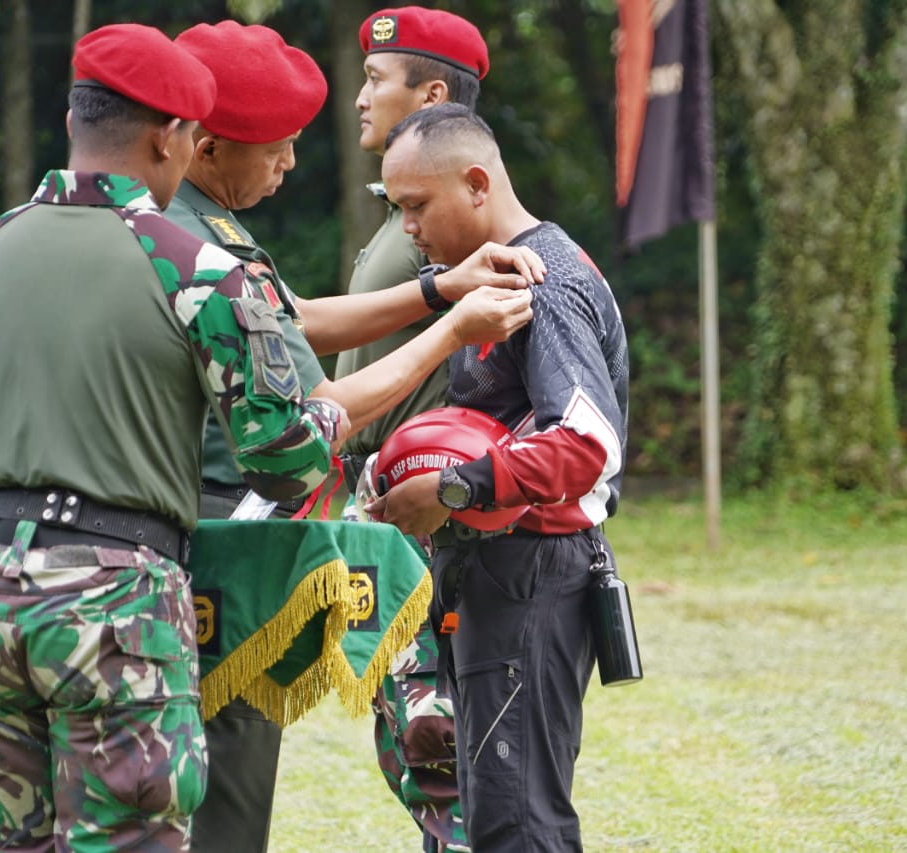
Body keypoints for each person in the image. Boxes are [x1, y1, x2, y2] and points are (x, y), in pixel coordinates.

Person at [0, 23, 345, 852]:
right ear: (171, 138)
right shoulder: (199, 270)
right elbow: (281, 456)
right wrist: (328, 418)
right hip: (118, 605)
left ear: (72, 123)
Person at [160, 21, 538, 853]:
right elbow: (309, 415)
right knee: (225, 780)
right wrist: (448, 320)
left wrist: (437, 292)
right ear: (210, 145)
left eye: (377, 76)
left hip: (206, 527)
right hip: (227, 532)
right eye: (280, 145)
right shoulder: (197, 241)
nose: (293, 163)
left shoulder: (189, 228)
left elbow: (293, 317)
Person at [366, 103, 630, 853]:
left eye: (417, 205)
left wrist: (452, 490)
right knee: (483, 810)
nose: (407, 226)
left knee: (518, 822)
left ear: (477, 183)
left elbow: (588, 444)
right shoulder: (487, 280)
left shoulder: (540, 281)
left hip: (534, 576)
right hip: (492, 573)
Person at [333, 7, 494, 851]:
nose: (361, 97)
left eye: (376, 79)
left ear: (431, 94)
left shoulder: (449, 224)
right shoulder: (408, 219)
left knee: (435, 741)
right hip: (387, 499)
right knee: (423, 742)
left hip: (426, 505)